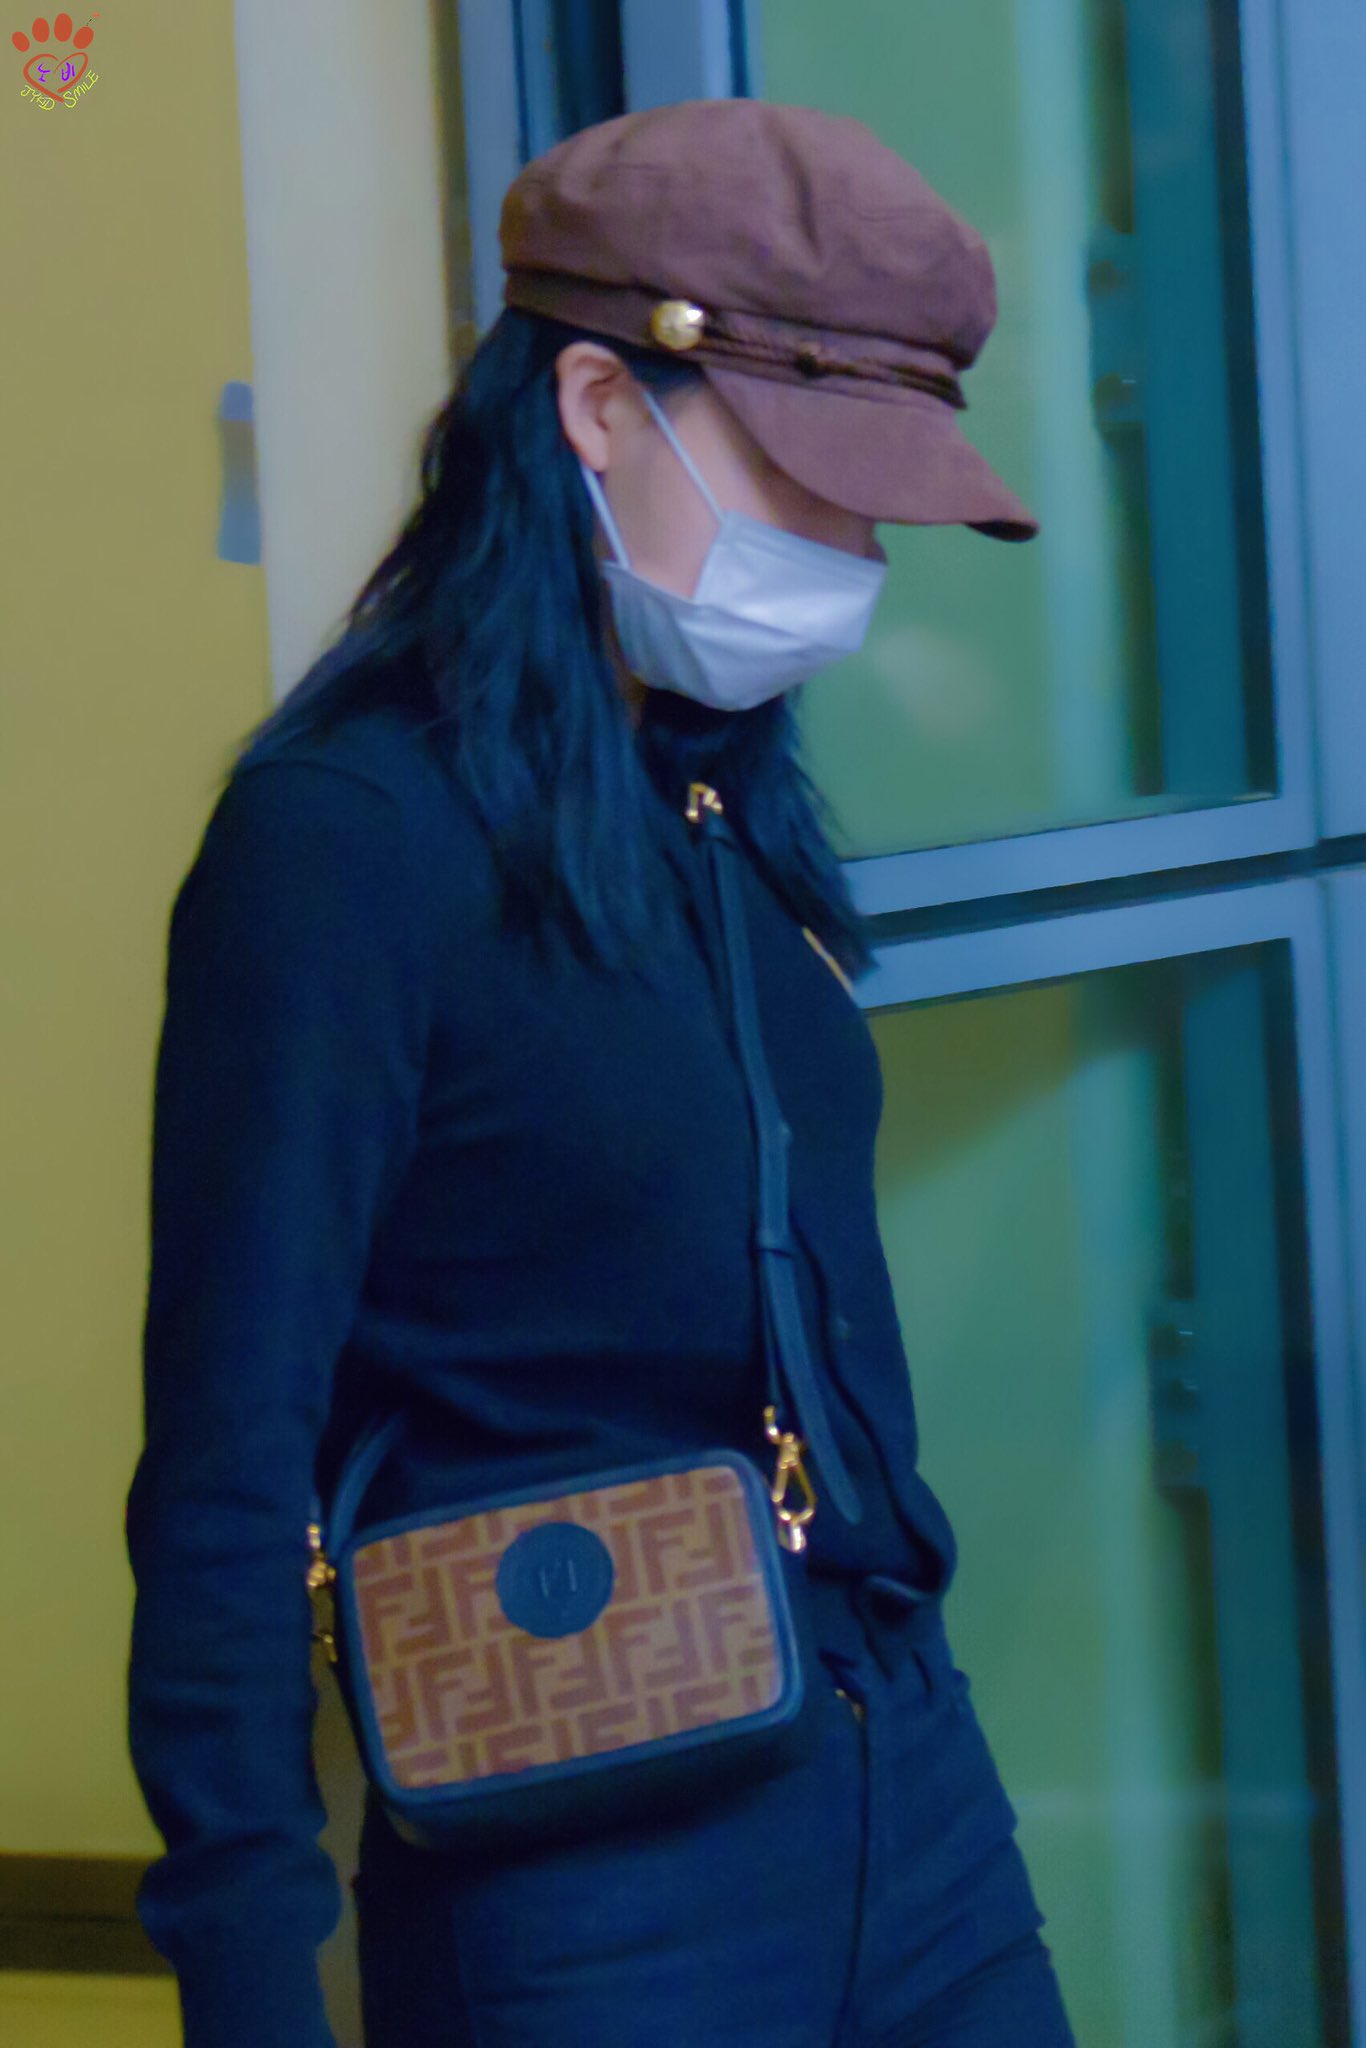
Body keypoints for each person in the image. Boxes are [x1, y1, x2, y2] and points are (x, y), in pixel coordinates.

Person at [125, 98, 1077, 2048]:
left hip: (905, 1795)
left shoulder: (717, 797)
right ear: (591, 406)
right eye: (807, 478)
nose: (848, 553)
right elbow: (224, 1459)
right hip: (587, 1876)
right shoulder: (347, 843)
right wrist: (244, 1970)